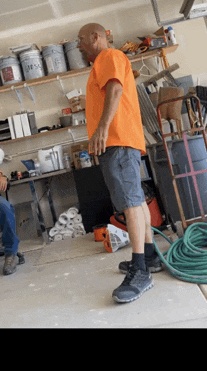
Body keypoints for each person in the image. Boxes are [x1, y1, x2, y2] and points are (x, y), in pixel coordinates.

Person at [77, 22, 162, 304]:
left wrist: (102, 129)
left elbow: (114, 89)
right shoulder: (104, 61)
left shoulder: (109, 57)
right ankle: (149, 257)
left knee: (130, 202)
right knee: (135, 200)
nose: (79, 45)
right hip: (121, 140)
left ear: (96, 37)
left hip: (117, 140)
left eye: (81, 40)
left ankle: (140, 271)